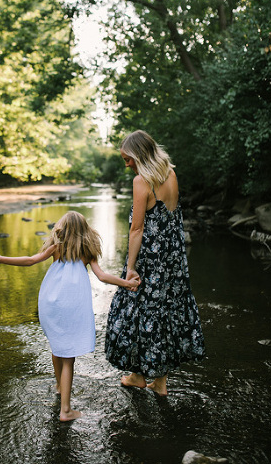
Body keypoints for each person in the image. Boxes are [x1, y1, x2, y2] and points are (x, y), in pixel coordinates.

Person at [0, 211, 139, 421]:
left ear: (63, 229)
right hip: (73, 304)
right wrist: (127, 283)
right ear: (84, 230)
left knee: (57, 346)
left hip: (50, 302)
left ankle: (59, 386)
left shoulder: (57, 247)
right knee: (69, 359)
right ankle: (65, 410)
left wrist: (2, 259)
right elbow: (102, 276)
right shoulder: (87, 251)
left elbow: (30, 260)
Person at [105, 130, 205, 396]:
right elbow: (171, 217)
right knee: (166, 310)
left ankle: (139, 376)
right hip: (172, 256)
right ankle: (159, 381)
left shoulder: (142, 181)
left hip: (150, 257)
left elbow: (137, 229)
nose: (126, 164)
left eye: (128, 158)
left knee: (140, 310)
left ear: (139, 155)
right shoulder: (170, 174)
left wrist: (130, 268)